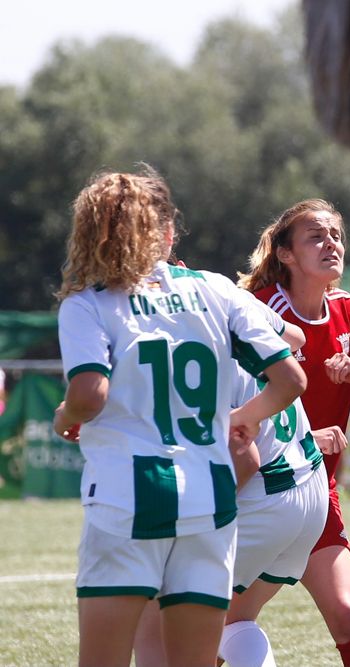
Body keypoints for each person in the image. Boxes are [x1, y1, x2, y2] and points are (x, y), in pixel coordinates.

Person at [53, 167, 306, 667]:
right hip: (209, 500)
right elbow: (292, 378)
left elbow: (89, 393)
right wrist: (247, 417)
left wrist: (65, 414)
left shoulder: (89, 305)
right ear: (166, 234)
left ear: (89, 235)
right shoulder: (216, 289)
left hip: (127, 498)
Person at [238, 199, 350, 667]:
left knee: (345, 612)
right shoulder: (259, 314)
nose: (330, 244)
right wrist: (300, 439)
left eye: (335, 235)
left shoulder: (347, 311)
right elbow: (232, 405)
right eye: (315, 236)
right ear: (286, 254)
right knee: (227, 621)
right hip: (255, 492)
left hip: (316, 491)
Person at [132, 302, 335, 667]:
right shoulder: (223, 293)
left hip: (264, 497)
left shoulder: (176, 346)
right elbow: (297, 336)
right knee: (234, 621)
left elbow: (244, 457)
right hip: (310, 490)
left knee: (158, 609)